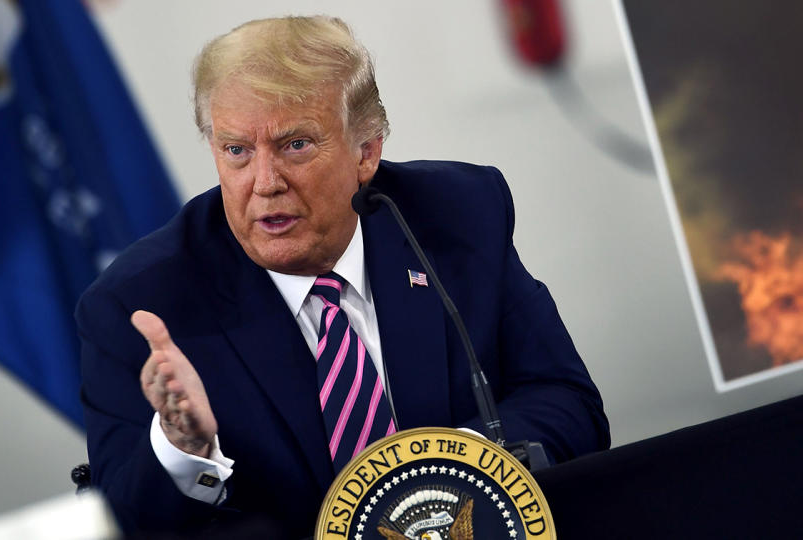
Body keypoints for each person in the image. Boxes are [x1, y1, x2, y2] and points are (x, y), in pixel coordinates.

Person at [76, 15, 610, 538]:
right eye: (236, 150)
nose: (264, 183)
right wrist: (181, 450)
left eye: (295, 145)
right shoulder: (141, 302)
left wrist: (450, 474)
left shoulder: (457, 215)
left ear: (367, 151)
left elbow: (566, 400)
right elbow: (121, 518)